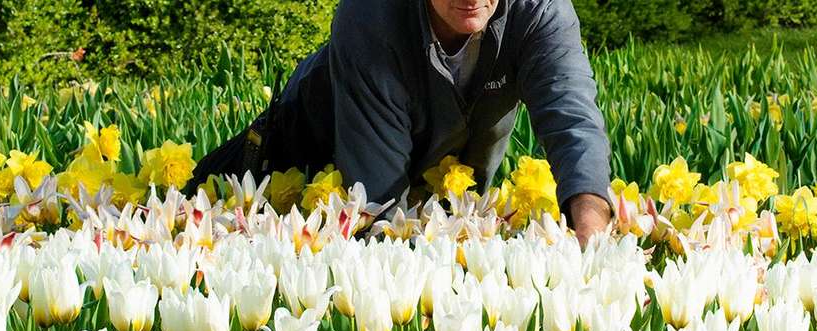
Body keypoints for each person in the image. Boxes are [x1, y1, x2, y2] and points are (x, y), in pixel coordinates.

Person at [192, 0, 614, 243]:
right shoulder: (369, 14)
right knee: (192, 207)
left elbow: (571, 114)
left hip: (431, 174)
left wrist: (590, 227)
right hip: (297, 164)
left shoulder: (541, 11)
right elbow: (376, 197)